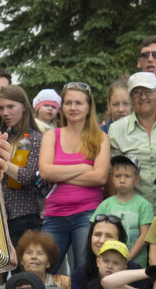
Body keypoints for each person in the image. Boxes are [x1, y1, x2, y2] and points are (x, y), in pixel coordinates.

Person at [39, 81, 109, 272]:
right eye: (68, 103)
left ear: (88, 107)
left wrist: (59, 174)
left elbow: (100, 177)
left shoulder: (100, 138)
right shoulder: (51, 136)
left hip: (87, 213)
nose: (73, 107)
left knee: (84, 271)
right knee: (41, 270)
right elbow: (45, 172)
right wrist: (84, 166)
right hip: (54, 214)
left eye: (79, 103)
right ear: (62, 107)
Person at [109, 71, 156, 209]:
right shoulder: (117, 129)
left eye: (148, 91)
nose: (143, 97)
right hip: (134, 210)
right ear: (130, 97)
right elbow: (112, 175)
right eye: (137, 92)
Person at [0, 84, 46, 244]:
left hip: (25, 216)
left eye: (10, 106)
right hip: (0, 217)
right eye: (1, 108)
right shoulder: (5, 137)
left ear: (24, 107)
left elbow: (26, 176)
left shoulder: (35, 138)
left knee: (25, 269)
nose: (5, 112)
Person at [92, 154, 152, 266]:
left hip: (135, 263)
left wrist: (128, 257)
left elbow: (145, 236)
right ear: (111, 178)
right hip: (109, 264)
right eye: (118, 176)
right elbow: (94, 231)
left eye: (127, 176)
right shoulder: (105, 205)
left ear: (137, 179)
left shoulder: (144, 205)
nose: (122, 180)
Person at [67, 215, 130, 289]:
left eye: (109, 236)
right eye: (97, 234)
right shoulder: (80, 273)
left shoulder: (133, 270)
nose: (101, 240)